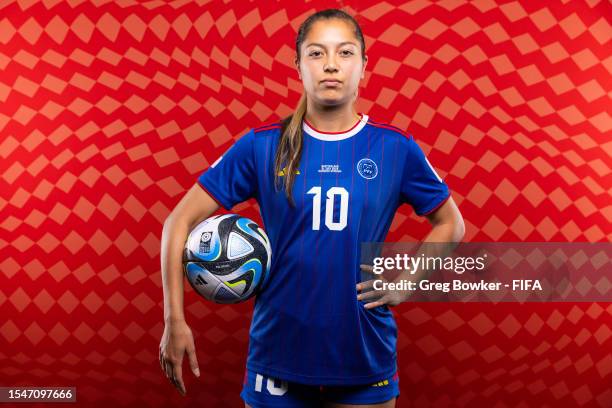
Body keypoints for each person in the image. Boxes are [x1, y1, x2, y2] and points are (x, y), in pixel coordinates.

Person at [159, 8, 465, 408]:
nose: (332, 66)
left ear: (363, 64)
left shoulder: (395, 149)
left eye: (345, 53)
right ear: (298, 65)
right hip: (278, 352)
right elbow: (178, 221)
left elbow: (450, 225)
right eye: (317, 54)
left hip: (362, 352)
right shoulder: (262, 145)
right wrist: (174, 320)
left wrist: (406, 281)